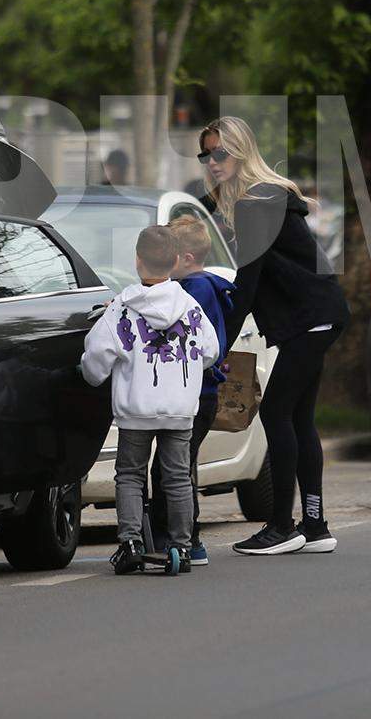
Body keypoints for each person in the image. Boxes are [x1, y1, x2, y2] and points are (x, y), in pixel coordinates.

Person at [198, 116, 349, 556]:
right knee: (299, 418)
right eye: (206, 154)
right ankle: (315, 525)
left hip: (311, 318)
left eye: (220, 152)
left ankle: (282, 526)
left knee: (276, 414)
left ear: (241, 151)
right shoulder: (264, 197)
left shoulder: (255, 201)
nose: (212, 162)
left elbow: (248, 282)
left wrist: (216, 347)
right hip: (318, 315)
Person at [79, 224, 220, 575]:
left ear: (137, 261)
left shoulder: (122, 308)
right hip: (179, 409)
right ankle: (182, 546)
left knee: (129, 474)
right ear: (175, 261)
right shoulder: (190, 308)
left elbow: (96, 358)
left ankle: (130, 543)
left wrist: (91, 375)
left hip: (134, 409)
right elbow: (211, 351)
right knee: (177, 478)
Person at [149, 213, 235, 567]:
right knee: (181, 465)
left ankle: (179, 538)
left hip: (195, 393)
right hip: (200, 393)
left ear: (184, 259)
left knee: (170, 468)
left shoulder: (194, 290)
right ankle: (189, 538)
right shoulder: (202, 286)